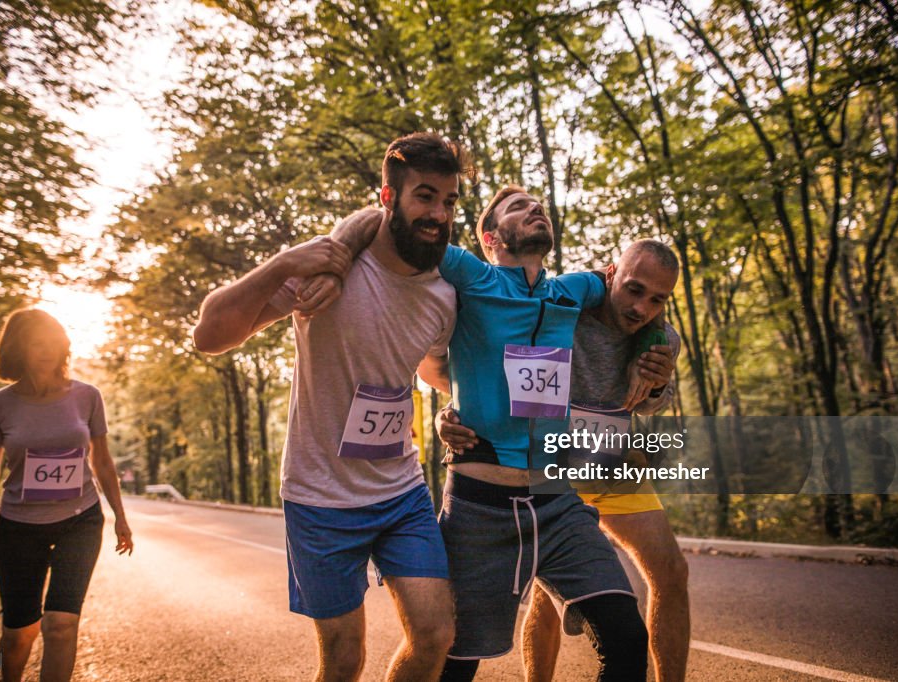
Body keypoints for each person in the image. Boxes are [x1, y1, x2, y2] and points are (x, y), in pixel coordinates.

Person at [334, 186, 652, 681]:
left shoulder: (574, 289)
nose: (535, 209)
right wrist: (332, 256)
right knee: (455, 663)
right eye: (518, 208)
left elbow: (639, 292)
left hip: (557, 502)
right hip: (480, 508)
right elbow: (390, 224)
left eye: (538, 204)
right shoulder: (470, 274)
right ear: (491, 237)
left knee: (628, 639)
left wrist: (661, 349)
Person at [193, 132, 473, 682]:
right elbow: (209, 335)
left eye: (449, 201)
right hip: (320, 495)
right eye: (424, 196)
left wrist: (455, 406)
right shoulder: (326, 270)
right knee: (344, 660)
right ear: (388, 198)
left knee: (436, 634)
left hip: (400, 490)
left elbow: (431, 369)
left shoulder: (445, 293)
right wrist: (283, 263)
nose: (439, 214)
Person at [438, 239, 688, 682]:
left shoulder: (663, 337)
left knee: (670, 569)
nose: (642, 307)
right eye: (633, 290)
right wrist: (450, 413)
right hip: (550, 466)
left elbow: (651, 405)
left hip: (612, 463)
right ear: (609, 275)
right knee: (547, 595)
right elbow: (490, 361)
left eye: (657, 299)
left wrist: (655, 382)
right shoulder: (560, 310)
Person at [0, 309, 133, 682]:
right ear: (18, 348)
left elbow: (102, 461)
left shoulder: (88, 396)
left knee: (60, 624)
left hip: (80, 520)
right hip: (19, 526)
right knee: (19, 634)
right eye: (36, 343)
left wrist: (120, 516)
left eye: (53, 343)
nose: (45, 351)